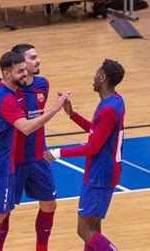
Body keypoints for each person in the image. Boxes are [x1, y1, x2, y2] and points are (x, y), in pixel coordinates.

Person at [0, 51, 68, 251]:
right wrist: (55, 109)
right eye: (19, 71)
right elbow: (26, 128)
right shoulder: (6, 99)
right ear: (6, 73)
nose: (24, 74)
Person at [44, 59, 125, 251]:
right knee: (93, 227)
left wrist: (58, 153)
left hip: (100, 174)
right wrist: (72, 114)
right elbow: (97, 133)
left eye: (97, 75)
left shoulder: (108, 109)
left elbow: (92, 147)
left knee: (84, 230)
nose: (94, 78)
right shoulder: (115, 100)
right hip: (106, 171)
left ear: (103, 78)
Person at [0, 44, 57, 251]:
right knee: (2, 213)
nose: (38, 61)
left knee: (50, 204)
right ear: (20, 63)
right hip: (13, 161)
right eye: (33, 58)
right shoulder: (7, 90)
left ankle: (42, 248)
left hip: (38, 157)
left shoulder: (43, 85)